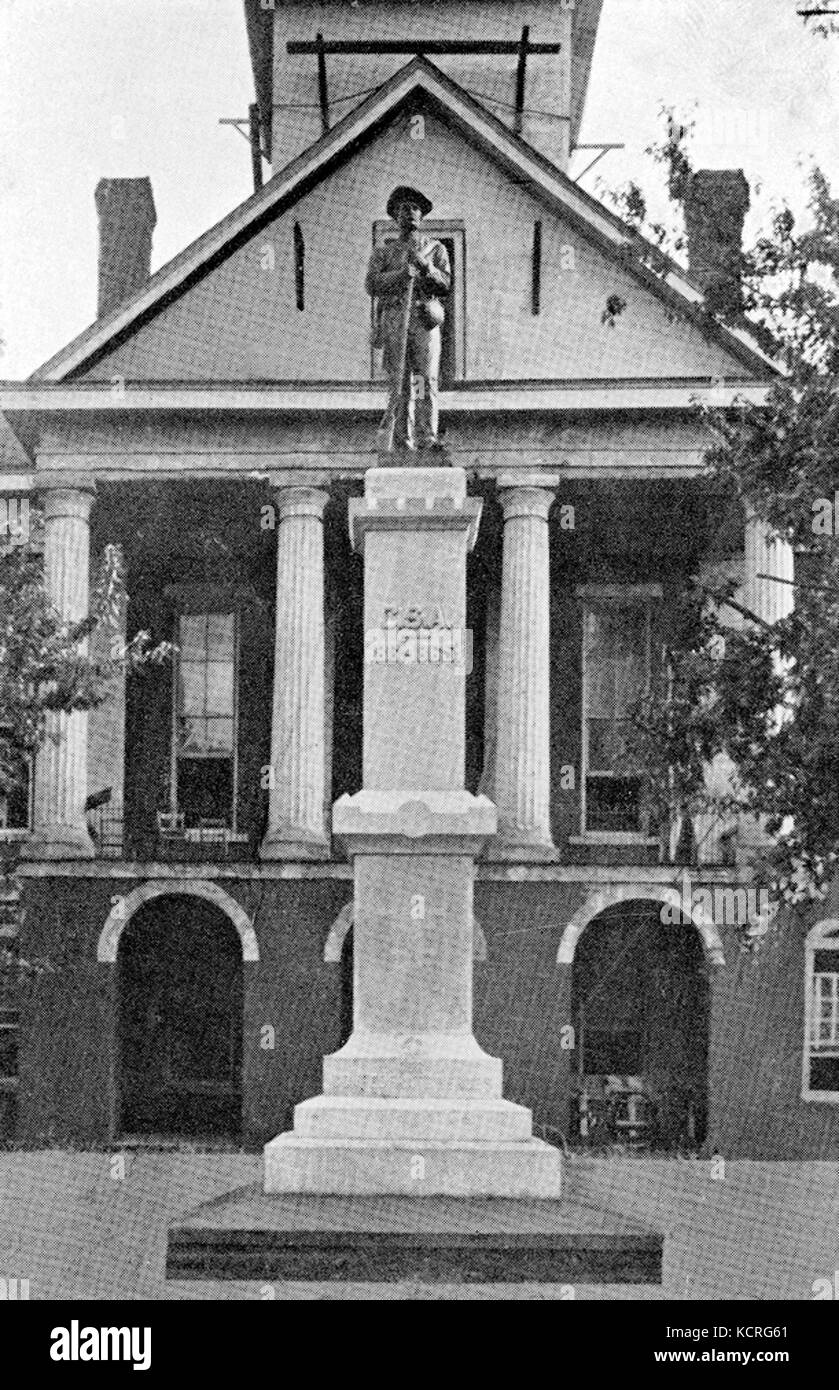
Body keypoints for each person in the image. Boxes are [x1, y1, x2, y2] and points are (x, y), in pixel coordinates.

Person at [365, 186, 451, 452]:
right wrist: (404, 273)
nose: (410, 213)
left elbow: (445, 284)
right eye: (403, 208)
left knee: (424, 380)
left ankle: (426, 436)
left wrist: (426, 268)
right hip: (394, 319)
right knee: (400, 381)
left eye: (415, 208)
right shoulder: (384, 252)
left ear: (422, 215)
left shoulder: (435, 249)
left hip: (423, 319)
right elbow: (372, 284)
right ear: (395, 216)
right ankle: (401, 439)